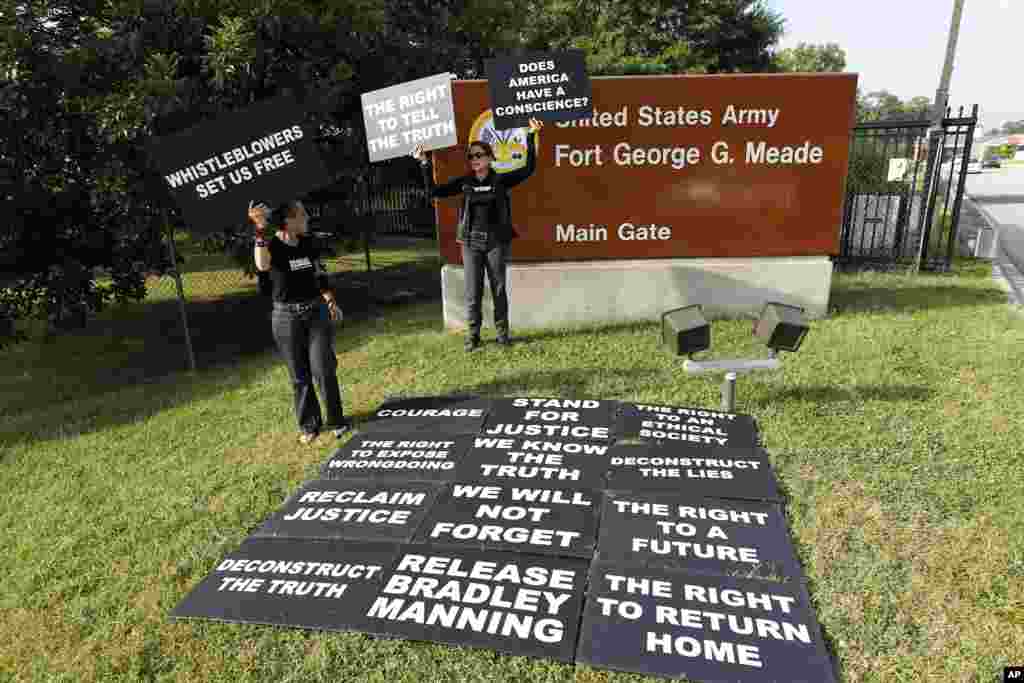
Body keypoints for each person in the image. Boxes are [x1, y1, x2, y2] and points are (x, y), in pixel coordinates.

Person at [413, 117, 543, 352]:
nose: (474, 160)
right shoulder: (465, 182)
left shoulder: (501, 180)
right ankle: (473, 336)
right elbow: (433, 191)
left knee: (498, 288)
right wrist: (424, 163)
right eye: (471, 156)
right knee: (472, 291)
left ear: (490, 158)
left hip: (496, 242)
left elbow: (529, 168)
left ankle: (503, 335)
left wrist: (531, 135)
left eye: (478, 155)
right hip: (470, 243)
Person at [248, 199, 351, 445]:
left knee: (324, 368)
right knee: (299, 374)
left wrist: (329, 299)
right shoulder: (270, 244)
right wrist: (260, 228)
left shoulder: (308, 243)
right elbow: (262, 264)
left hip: (316, 312)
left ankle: (336, 421)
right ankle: (309, 425)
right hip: (285, 317)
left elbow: (319, 272)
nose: (307, 219)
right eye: (302, 215)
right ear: (288, 221)